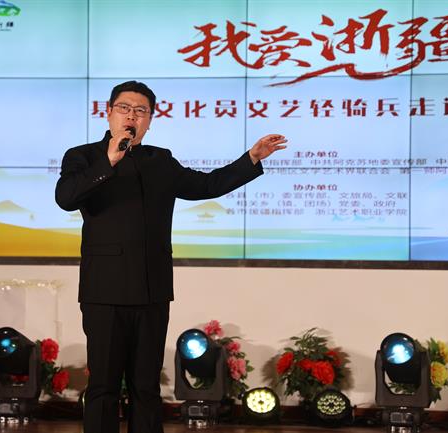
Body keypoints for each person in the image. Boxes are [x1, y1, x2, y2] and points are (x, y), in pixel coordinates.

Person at [55, 81, 287, 433]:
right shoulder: (83, 156)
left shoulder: (159, 160)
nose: (132, 116)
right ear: (108, 113)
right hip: (104, 290)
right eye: (124, 108)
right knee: (103, 386)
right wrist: (109, 159)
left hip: (152, 287)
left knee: (146, 386)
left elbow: (206, 185)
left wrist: (251, 158)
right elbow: (66, 198)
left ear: (150, 120)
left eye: (141, 111)